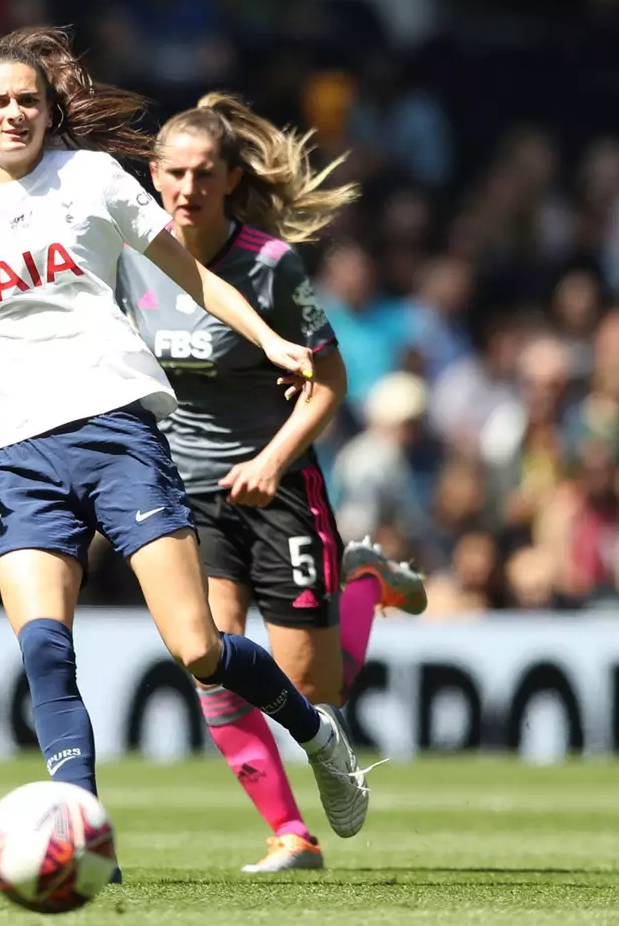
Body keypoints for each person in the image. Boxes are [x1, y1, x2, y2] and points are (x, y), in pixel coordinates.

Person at [0, 28, 374, 878]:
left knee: (198, 648)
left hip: (118, 433)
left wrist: (271, 339)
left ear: (49, 109)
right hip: (21, 453)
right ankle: (84, 832)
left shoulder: (92, 181)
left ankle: (318, 734)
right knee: (45, 648)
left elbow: (192, 278)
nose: (15, 113)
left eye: (29, 100)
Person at [117, 93, 426, 873]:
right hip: (189, 492)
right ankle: (290, 833)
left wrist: (270, 460)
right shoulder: (130, 259)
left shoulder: (269, 264)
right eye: (174, 174)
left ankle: (360, 582)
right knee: (209, 657)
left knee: (316, 691)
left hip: (279, 485)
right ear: (152, 177)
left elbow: (329, 383)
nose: (186, 189)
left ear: (228, 178)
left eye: (203, 174)